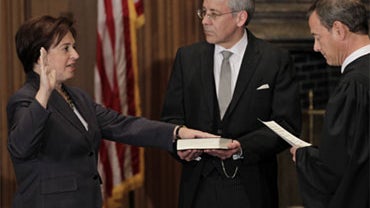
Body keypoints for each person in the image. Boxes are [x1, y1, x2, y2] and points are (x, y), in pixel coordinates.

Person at [7, 15, 216, 208]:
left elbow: (123, 125)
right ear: (40, 56)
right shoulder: (25, 100)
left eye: (74, 47)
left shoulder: (77, 97)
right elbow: (21, 147)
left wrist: (177, 132)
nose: (76, 55)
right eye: (66, 48)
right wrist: (43, 93)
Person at [161, 0, 302, 207]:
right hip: (198, 187)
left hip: (251, 187)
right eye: (204, 13)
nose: (205, 21)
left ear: (240, 18)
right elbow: (171, 118)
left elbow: (286, 126)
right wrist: (179, 147)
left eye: (214, 14)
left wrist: (241, 148)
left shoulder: (274, 60)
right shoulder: (187, 57)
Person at [289, 0, 370, 207]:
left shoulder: (353, 86)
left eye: (317, 37)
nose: (316, 47)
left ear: (339, 30)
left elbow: (335, 168)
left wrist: (304, 156)